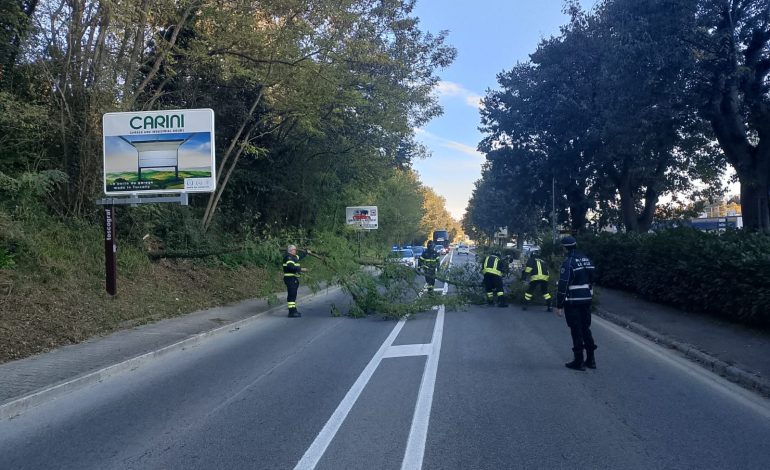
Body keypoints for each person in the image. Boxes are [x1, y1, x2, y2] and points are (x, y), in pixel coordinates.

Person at [556, 236, 597, 370]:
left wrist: (559, 305)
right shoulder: (586, 259)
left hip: (573, 302)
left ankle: (578, 361)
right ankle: (591, 360)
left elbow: (563, 285)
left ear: (564, 248)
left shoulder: (569, 262)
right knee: (586, 328)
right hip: (586, 300)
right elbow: (593, 278)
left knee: (576, 330)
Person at [283, 244, 310, 318]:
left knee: (293, 295)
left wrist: (306, 252)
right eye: (295, 250)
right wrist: (301, 269)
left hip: (293, 279)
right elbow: (291, 267)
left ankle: (294, 310)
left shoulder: (294, 257)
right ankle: (291, 312)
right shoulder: (288, 257)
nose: (296, 251)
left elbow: (300, 257)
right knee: (291, 295)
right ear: (291, 250)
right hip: (290, 279)